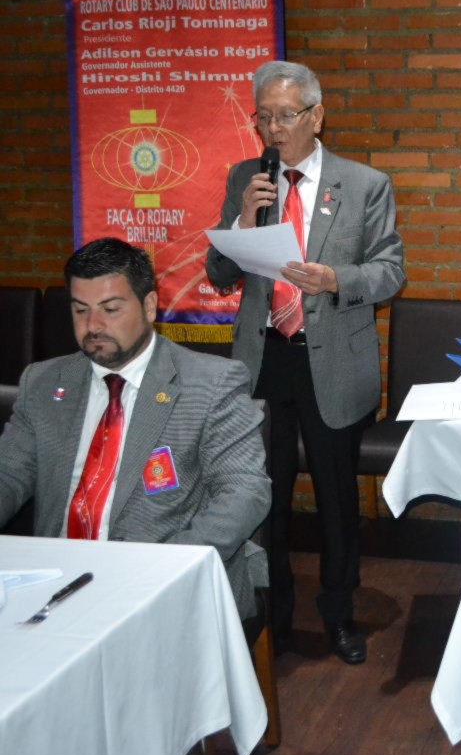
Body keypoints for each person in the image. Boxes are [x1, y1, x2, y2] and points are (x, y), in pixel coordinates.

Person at [205, 60, 405, 665]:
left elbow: (390, 272)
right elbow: (220, 272)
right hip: (263, 359)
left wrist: (336, 279)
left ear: (317, 116)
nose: (273, 129)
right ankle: (276, 615)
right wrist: (243, 219)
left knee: (337, 500)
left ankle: (339, 615)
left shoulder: (365, 184)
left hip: (332, 361)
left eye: (286, 116)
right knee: (263, 495)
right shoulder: (247, 178)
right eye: (263, 117)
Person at [0, 238, 271, 620]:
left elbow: (244, 492)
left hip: (160, 581)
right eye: (80, 310)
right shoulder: (44, 382)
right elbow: (8, 474)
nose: (93, 326)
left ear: (148, 306)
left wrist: (164, 568)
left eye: (110, 309)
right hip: (55, 582)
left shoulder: (211, 383)